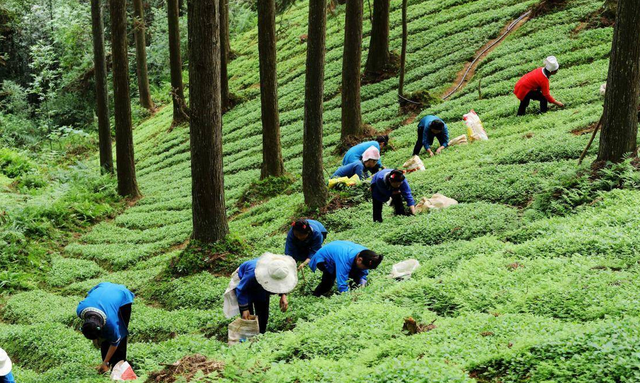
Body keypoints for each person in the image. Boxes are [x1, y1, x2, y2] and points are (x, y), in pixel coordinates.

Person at [76, 282, 135, 374]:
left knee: (120, 333)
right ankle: (106, 365)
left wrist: (106, 362)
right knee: (105, 336)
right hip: (102, 286)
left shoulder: (111, 322)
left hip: (122, 296)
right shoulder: (80, 310)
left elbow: (116, 341)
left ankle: (118, 364)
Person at [236, 253, 298, 334]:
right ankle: (248, 337)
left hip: (262, 289)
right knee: (248, 317)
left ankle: (261, 333)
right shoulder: (252, 273)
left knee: (263, 312)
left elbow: (281, 281)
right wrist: (245, 309)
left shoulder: (281, 267)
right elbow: (241, 289)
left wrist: (283, 295)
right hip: (246, 287)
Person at [308, 240, 383, 296]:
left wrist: (363, 281)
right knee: (328, 281)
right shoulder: (344, 259)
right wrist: (347, 297)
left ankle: (354, 289)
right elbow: (342, 283)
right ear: (359, 260)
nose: (365, 269)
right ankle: (316, 296)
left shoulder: (367, 255)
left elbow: (363, 272)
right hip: (325, 258)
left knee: (356, 276)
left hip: (340, 251)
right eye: (365, 267)